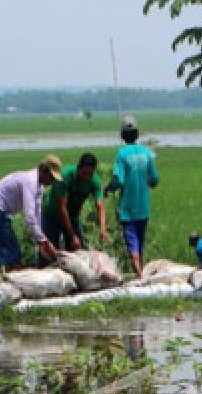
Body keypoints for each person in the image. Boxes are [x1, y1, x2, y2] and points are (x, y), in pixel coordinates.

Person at [0, 155, 63, 274]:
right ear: (44, 171)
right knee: (13, 254)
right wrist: (42, 241)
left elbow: (37, 213)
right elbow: (30, 216)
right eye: (51, 178)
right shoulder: (30, 181)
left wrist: (43, 240)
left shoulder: (39, 187)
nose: (51, 182)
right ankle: (16, 277)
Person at [105, 115, 160, 279]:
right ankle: (140, 272)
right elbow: (155, 179)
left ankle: (138, 272)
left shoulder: (121, 154)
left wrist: (108, 188)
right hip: (143, 207)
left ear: (122, 136)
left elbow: (118, 180)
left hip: (127, 209)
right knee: (140, 242)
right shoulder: (147, 153)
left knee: (132, 243)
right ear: (137, 134)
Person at [41, 152, 108, 254]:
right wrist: (71, 235)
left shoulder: (95, 181)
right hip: (52, 212)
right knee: (50, 249)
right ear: (78, 168)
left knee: (77, 248)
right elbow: (62, 208)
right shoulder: (65, 176)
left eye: (90, 174)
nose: (86, 177)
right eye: (84, 173)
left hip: (72, 215)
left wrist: (103, 229)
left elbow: (100, 205)